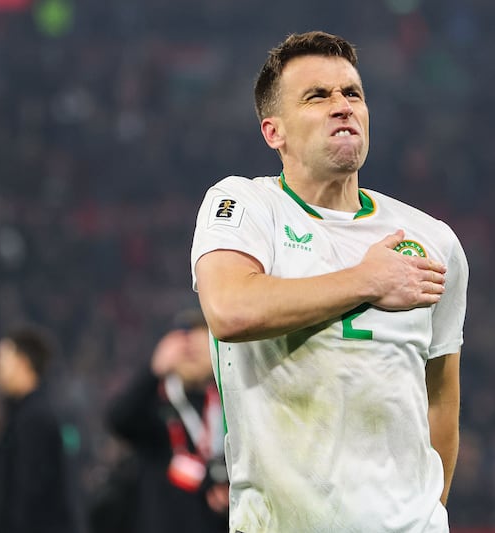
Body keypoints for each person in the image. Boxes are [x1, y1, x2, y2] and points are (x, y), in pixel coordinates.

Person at [190, 31, 469, 533]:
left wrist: (431, 512)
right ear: (274, 132)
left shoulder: (434, 240)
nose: (342, 106)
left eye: (352, 93)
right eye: (317, 97)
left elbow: (440, 397)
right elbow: (230, 310)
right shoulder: (246, 206)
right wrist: (366, 279)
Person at [102, 309, 228, 533]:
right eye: (186, 352)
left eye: (200, 350)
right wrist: (153, 371)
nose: (192, 357)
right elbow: (118, 420)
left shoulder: (227, 404)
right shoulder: (156, 402)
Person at [0, 325, 77, 533]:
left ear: (23, 363)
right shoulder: (21, 417)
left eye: (3, 358)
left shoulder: (34, 420)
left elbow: (30, 497)